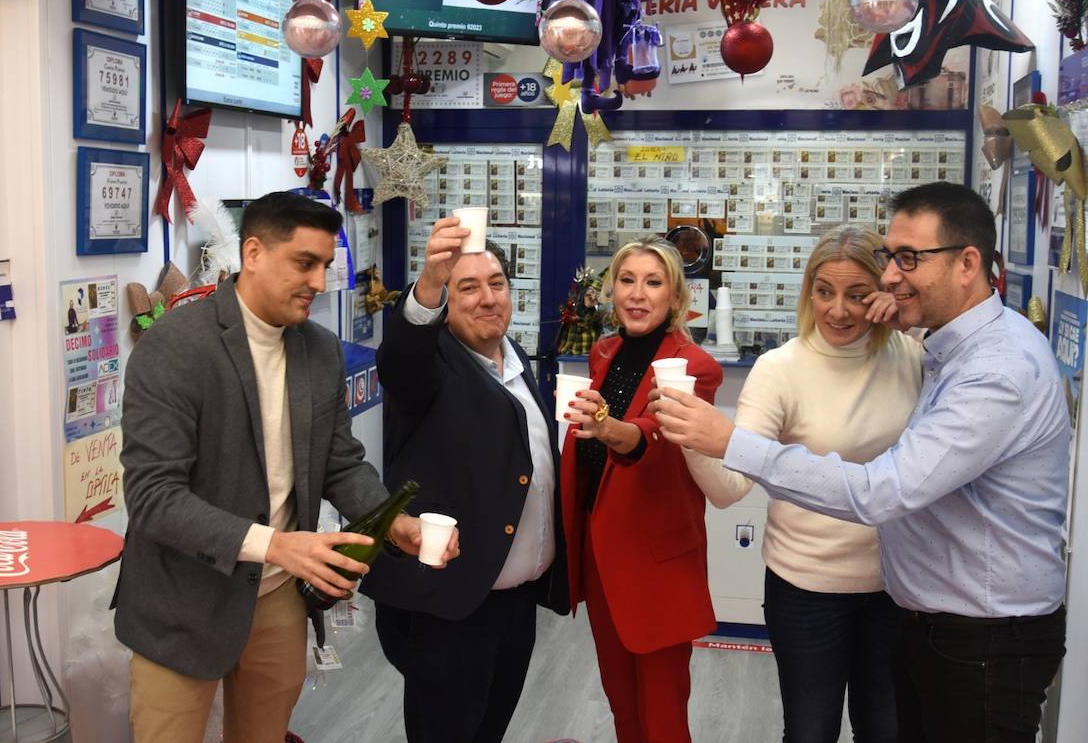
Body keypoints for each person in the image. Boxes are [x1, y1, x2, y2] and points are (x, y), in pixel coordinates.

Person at [656, 182, 1071, 743]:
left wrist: (731, 441)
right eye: (890, 261)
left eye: (907, 261)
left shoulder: (981, 368)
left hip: (971, 627)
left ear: (968, 263)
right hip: (881, 603)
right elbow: (731, 487)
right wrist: (703, 438)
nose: (892, 279)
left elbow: (884, 491)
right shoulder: (948, 348)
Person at [117, 191, 453, 743]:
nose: (319, 283)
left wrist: (392, 519)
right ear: (253, 253)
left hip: (275, 598)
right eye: (304, 263)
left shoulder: (318, 350)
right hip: (182, 602)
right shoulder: (175, 346)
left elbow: (340, 460)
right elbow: (154, 498)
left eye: (324, 265)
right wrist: (277, 545)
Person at [680, 226, 922, 743]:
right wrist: (694, 440)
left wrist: (907, 308)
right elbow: (729, 488)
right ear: (808, 291)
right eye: (824, 291)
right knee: (811, 732)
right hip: (806, 588)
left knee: (888, 729)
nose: (838, 310)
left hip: (895, 586)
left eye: (858, 295)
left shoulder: (910, 356)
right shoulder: (780, 369)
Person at [361, 216, 569, 743]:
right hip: (452, 606)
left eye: (496, 284)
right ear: (445, 304)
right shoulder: (429, 367)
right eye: (467, 287)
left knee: (488, 731)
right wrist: (429, 280)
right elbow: (401, 357)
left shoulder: (513, 356)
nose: (487, 299)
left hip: (514, 603)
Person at [560, 236, 723, 743]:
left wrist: (609, 429)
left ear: (675, 299)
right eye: (627, 280)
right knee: (621, 703)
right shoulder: (603, 352)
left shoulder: (694, 365)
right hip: (602, 550)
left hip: (657, 563)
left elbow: (653, 435)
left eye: (654, 283)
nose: (637, 294)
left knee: (663, 713)